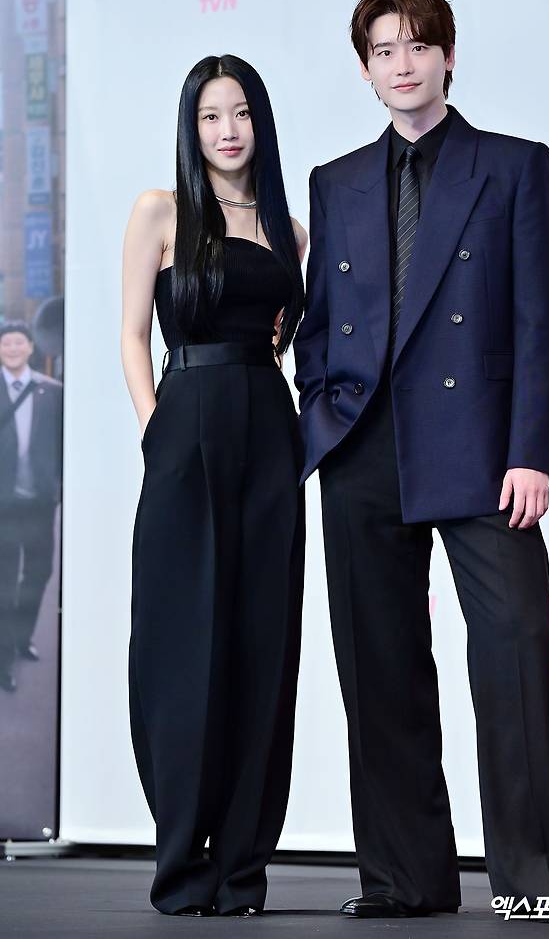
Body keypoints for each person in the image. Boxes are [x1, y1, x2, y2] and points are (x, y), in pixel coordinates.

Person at [294, 0, 549, 918]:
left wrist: (533, 451)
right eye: (384, 51)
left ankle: (536, 881)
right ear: (366, 70)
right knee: (377, 664)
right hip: (363, 448)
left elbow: (540, 320)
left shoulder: (513, 166)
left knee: (514, 654)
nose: (403, 64)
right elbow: (321, 318)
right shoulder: (336, 180)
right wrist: (322, 415)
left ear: (448, 57)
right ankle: (403, 876)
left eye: (419, 46)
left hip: (484, 449)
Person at [121, 54, 306, 918]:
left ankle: (241, 868)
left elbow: (288, 337)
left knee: (261, 645)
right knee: (178, 647)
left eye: (241, 113)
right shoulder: (160, 211)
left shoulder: (289, 229)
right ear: (191, 128)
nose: (228, 130)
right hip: (185, 423)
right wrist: (156, 428)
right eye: (210, 115)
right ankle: (180, 861)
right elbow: (133, 336)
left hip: (270, 428)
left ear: (260, 122)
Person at [0, 320, 62, 694]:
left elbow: (63, 444)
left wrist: (58, 486)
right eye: (5, 343)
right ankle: (4, 657)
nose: (12, 348)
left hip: (40, 502)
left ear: (29, 347)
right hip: (4, 506)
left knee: (39, 574)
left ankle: (21, 637)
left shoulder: (51, 391)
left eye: (18, 342)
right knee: (5, 581)